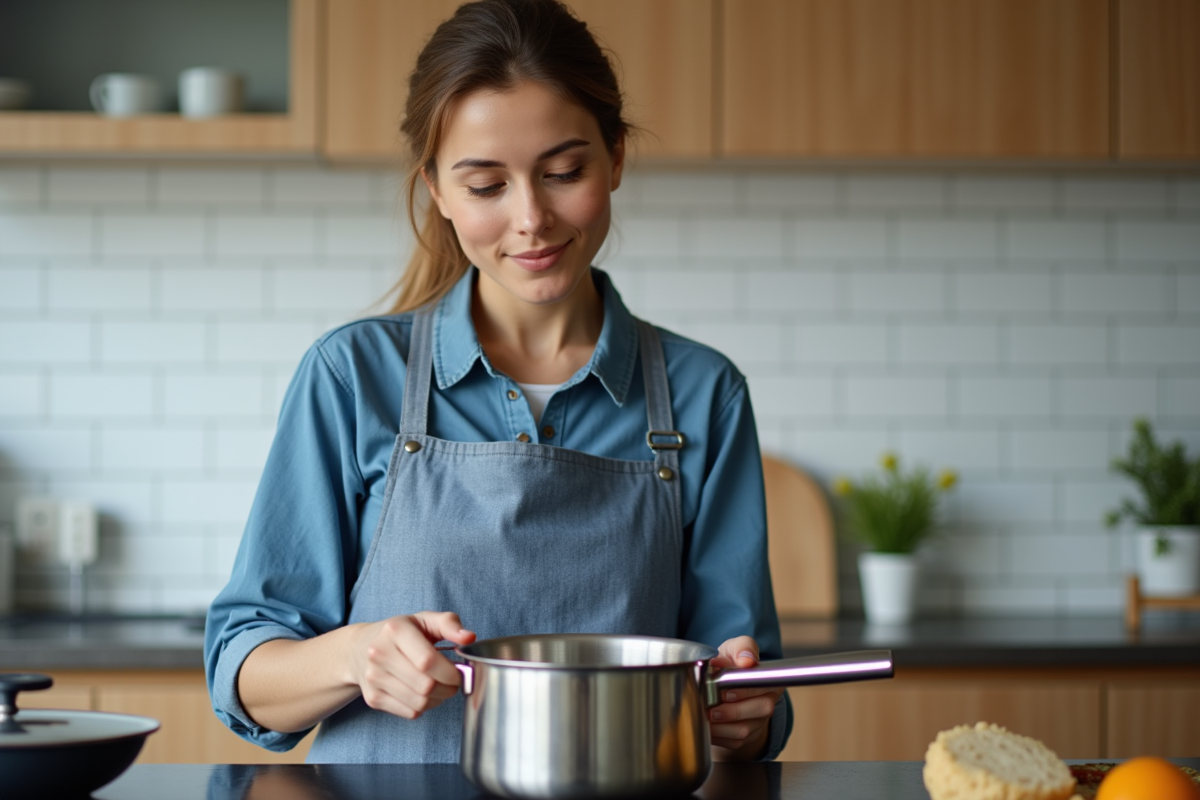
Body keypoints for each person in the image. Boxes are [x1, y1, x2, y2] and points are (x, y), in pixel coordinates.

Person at [205, 0, 793, 764]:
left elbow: (749, 684)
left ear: (615, 158)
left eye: (563, 172)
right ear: (439, 192)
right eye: (486, 185)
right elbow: (241, 676)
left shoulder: (704, 392)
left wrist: (750, 713)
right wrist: (353, 657)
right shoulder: (352, 377)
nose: (531, 219)